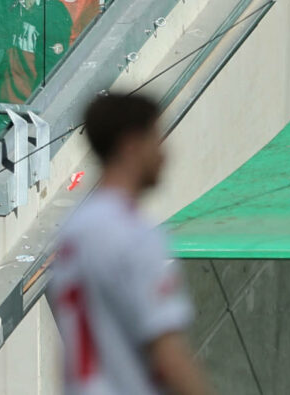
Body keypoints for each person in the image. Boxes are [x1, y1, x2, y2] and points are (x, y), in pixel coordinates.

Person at [50, 91, 211, 395]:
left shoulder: (74, 229)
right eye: (156, 139)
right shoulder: (133, 232)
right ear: (131, 146)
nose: (164, 154)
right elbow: (168, 353)